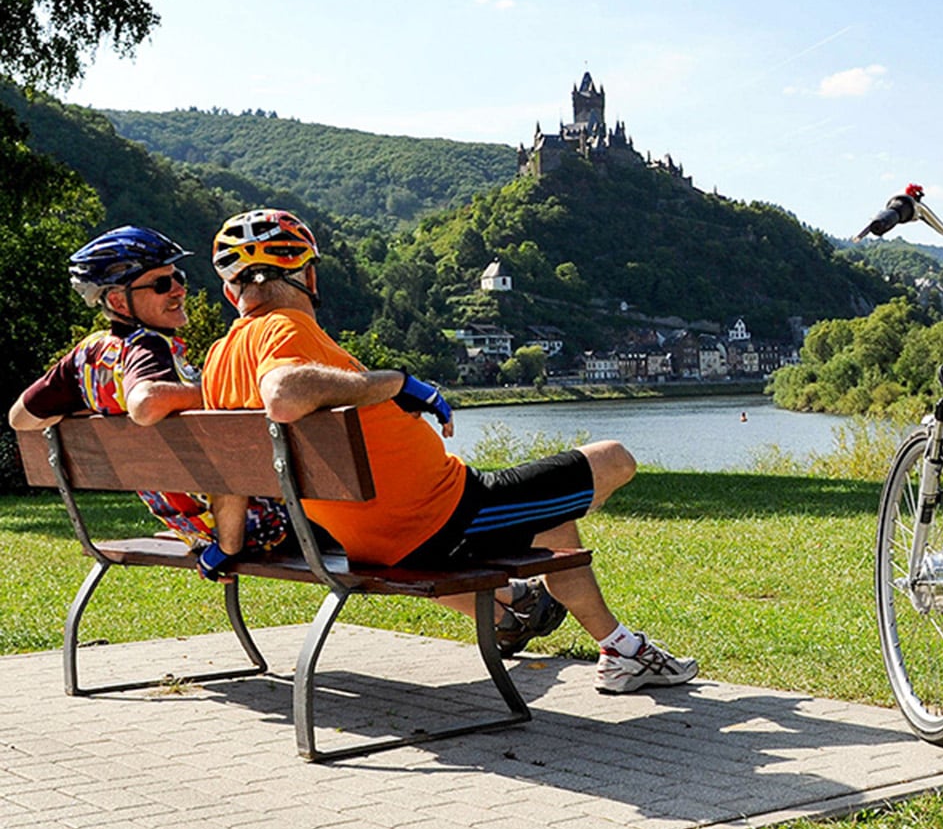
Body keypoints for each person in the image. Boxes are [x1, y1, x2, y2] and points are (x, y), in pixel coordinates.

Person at [196, 209, 695, 692]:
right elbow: (283, 394)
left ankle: (612, 645)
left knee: (552, 518)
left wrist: (229, 546)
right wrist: (397, 383)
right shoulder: (285, 327)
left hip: (371, 540)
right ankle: (621, 651)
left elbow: (231, 469)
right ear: (310, 276)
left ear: (229, 290)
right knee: (614, 459)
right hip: (445, 517)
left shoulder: (219, 360)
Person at [8, 226, 290, 571]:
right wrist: (226, 391)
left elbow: (20, 418)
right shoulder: (148, 346)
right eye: (160, 284)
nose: (178, 289)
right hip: (259, 527)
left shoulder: (85, 357)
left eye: (177, 277)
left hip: (193, 528)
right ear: (116, 300)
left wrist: (96, 406)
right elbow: (146, 402)